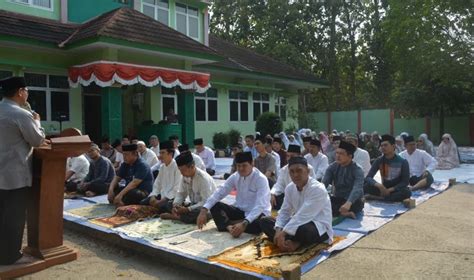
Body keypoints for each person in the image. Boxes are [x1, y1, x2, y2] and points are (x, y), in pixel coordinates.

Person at [0, 76, 46, 265]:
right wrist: (37, 122)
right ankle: (11, 256)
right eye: (26, 90)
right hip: (15, 176)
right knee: (15, 216)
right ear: (20, 92)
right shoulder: (20, 114)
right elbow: (37, 140)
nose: (27, 93)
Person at [260, 157, 333, 252]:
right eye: (292, 172)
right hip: (296, 223)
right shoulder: (290, 188)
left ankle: (296, 242)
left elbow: (303, 216)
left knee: (304, 229)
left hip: (317, 226)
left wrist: (283, 233)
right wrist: (278, 230)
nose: (295, 175)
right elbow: (285, 211)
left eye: (299, 171)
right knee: (264, 221)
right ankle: (290, 241)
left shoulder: (318, 189)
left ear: (307, 171)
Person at [197, 152, 271, 237]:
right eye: (238, 166)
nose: (241, 169)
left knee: (262, 223)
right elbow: (220, 191)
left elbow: (260, 206)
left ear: (252, 164)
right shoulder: (236, 176)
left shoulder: (261, 179)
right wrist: (204, 210)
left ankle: (229, 224)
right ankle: (229, 226)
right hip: (241, 211)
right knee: (215, 205)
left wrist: (244, 223)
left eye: (244, 166)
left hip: (257, 214)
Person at [160, 152, 216, 224]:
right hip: (193, 205)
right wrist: (176, 205)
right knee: (169, 203)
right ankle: (180, 215)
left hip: (206, 208)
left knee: (199, 212)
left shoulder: (203, 179)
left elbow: (206, 202)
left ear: (192, 166)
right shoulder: (185, 176)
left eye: (183, 170)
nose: (181, 173)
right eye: (180, 170)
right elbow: (181, 193)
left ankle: (175, 217)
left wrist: (188, 209)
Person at [322, 141, 365, 219]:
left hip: (353, 201)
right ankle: (344, 213)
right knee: (322, 203)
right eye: (337, 153)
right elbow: (323, 184)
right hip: (338, 198)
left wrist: (348, 203)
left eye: (341, 154)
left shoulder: (358, 170)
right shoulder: (332, 167)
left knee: (357, 205)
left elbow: (357, 188)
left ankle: (341, 211)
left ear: (350, 156)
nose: (337, 156)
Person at [364, 135, 411, 202]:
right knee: (365, 186)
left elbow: (405, 182)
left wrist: (390, 190)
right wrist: (380, 186)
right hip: (383, 189)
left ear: (393, 146)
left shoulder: (403, 161)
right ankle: (385, 198)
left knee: (406, 192)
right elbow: (368, 177)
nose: (383, 147)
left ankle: (377, 198)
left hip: (395, 190)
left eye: (385, 145)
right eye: (381, 145)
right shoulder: (378, 160)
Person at [270, 144, 316, 210]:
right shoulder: (284, 169)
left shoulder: (308, 168)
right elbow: (279, 185)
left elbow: (311, 186)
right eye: (288, 156)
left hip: (305, 197)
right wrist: (273, 194)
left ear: (300, 156)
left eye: (292, 156)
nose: (289, 158)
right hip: (289, 198)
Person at [143, 141, 182, 213]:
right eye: (160, 153)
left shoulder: (177, 167)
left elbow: (177, 189)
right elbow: (157, 184)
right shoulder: (162, 167)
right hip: (162, 195)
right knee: (143, 202)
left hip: (172, 197)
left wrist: (162, 201)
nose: (160, 156)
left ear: (170, 154)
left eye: (163, 153)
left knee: (164, 207)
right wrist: (153, 196)